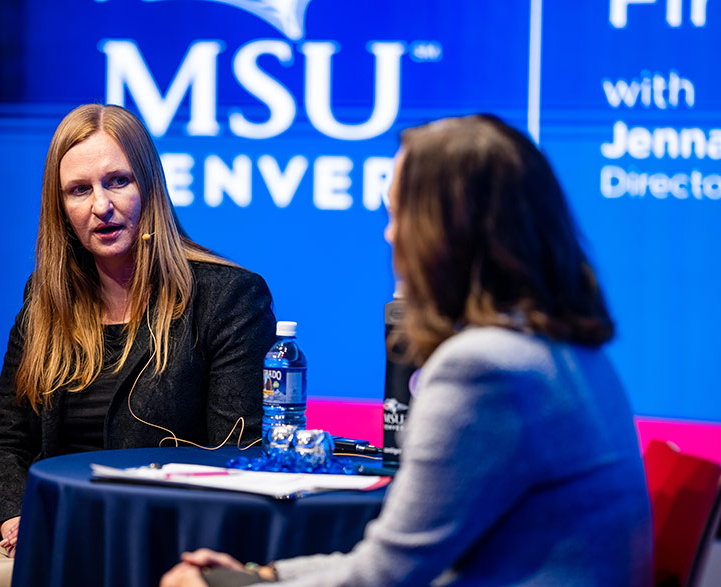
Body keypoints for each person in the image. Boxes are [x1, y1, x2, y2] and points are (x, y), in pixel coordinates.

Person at [160, 114, 653, 586]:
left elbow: (384, 577)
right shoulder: (558, 347)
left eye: (397, 214)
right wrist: (262, 575)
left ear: (449, 231)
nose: (388, 234)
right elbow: (393, 562)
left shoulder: (485, 370)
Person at [0, 104, 277, 586]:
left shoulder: (227, 297)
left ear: (150, 189)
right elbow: (2, 445)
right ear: (61, 208)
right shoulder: (46, 299)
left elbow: (235, 458)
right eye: (79, 189)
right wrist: (14, 518)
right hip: (43, 529)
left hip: (156, 538)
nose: (100, 206)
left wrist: (89, 524)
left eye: (118, 181)